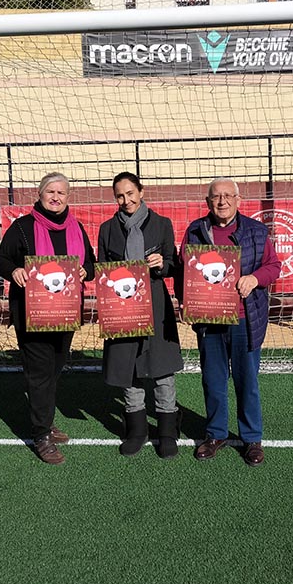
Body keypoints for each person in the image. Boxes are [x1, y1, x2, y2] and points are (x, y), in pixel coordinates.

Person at [0, 172, 95, 465]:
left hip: (65, 313)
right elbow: (1, 259)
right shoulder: (23, 227)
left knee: (54, 370)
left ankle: (45, 421)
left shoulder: (76, 227)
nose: (55, 197)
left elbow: (90, 260)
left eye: (61, 193)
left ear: (68, 197)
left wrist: (86, 270)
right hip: (33, 315)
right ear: (39, 195)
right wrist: (14, 271)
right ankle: (41, 435)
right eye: (50, 192)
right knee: (39, 374)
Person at [179, 177, 281, 466]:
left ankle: (252, 439)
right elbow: (184, 270)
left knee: (246, 381)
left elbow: (274, 266)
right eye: (216, 197)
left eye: (227, 196)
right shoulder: (196, 231)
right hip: (209, 320)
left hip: (245, 319)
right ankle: (215, 434)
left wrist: (254, 278)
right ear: (207, 202)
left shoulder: (257, 231)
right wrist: (185, 301)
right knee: (213, 380)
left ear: (239, 200)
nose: (222, 201)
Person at [97, 172, 185, 458]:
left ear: (141, 191)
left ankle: (167, 429)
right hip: (122, 309)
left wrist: (162, 263)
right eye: (120, 196)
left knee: (161, 369)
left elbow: (174, 265)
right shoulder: (107, 228)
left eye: (130, 193)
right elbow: (102, 270)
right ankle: (136, 429)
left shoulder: (162, 224)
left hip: (156, 305)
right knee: (128, 368)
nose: (126, 200)